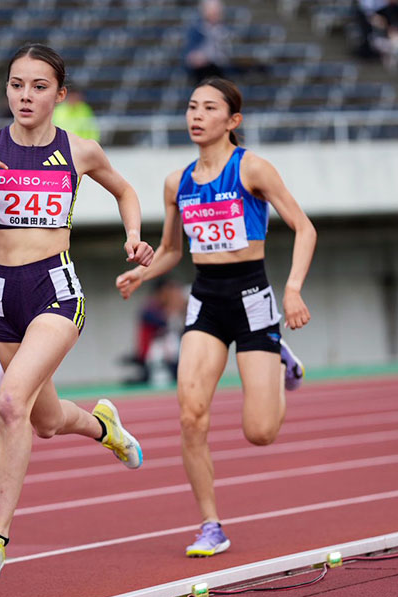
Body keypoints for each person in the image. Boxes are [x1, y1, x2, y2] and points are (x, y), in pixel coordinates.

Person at [0, 43, 154, 582]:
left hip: (55, 287)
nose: (25, 96)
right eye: (16, 84)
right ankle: (102, 427)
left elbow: (125, 190)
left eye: (39, 86)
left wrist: (135, 236)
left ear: (60, 94)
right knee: (45, 420)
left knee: (9, 404)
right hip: (0, 294)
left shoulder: (80, 150)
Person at [115, 78, 315, 558]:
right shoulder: (176, 181)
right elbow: (169, 251)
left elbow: (304, 228)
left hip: (252, 297)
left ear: (233, 120)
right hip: (205, 298)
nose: (196, 115)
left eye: (209, 108)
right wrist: (142, 275)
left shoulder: (254, 170)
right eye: (191, 107)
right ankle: (211, 525)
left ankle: (281, 359)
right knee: (190, 417)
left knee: (260, 433)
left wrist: (291, 290)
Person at [183, 0, 234, 85]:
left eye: (216, 10)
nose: (214, 13)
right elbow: (189, 56)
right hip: (203, 72)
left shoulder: (227, 30)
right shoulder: (195, 31)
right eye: (211, 10)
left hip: (223, 70)